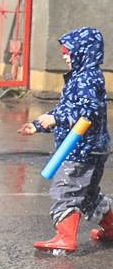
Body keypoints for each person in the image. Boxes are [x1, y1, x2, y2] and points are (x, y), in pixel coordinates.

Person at [18, 27, 112, 251]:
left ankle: (65, 237)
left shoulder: (87, 79)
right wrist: (39, 125)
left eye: (68, 52)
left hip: (82, 151)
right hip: (90, 149)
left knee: (65, 191)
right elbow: (66, 110)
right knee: (87, 196)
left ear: (84, 52)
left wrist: (56, 118)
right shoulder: (82, 77)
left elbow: (88, 111)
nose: (64, 56)